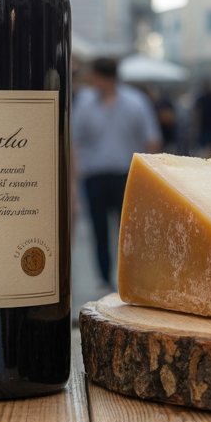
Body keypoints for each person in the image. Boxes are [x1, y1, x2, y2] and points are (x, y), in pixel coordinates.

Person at [72, 58, 161, 288]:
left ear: (101, 77)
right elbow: (74, 142)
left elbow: (152, 141)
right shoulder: (85, 103)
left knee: (129, 229)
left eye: (92, 76)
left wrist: (147, 178)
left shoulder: (135, 102)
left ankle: (128, 276)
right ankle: (105, 277)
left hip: (126, 175)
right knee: (99, 229)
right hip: (96, 175)